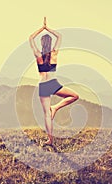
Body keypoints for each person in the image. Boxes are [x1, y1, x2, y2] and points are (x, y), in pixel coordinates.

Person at [29, 17, 79, 146]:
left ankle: (50, 140)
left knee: (47, 114)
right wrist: (48, 28)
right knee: (74, 96)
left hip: (43, 85)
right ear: (51, 43)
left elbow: (30, 38)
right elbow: (59, 36)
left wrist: (41, 28)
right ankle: (55, 108)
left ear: (41, 43)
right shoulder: (55, 53)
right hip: (53, 84)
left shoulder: (38, 55)